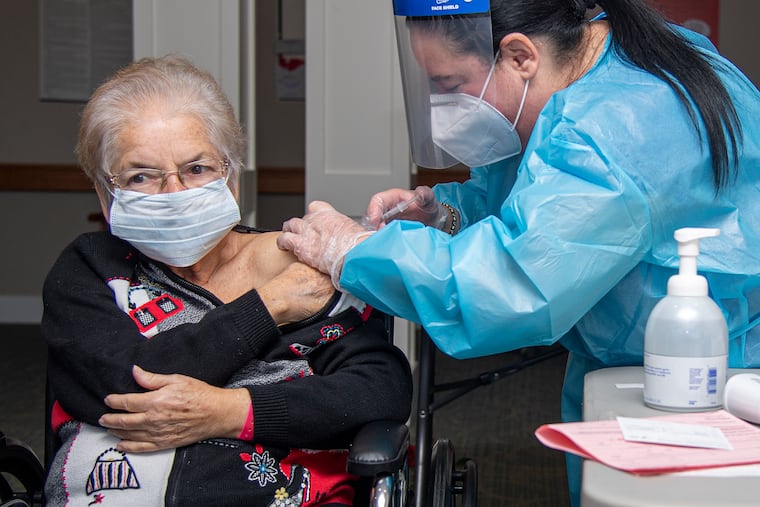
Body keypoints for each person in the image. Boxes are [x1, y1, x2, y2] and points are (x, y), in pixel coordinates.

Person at [276, 0, 760, 504]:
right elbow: (543, 202)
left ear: (519, 55)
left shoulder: (615, 131)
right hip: (650, 364)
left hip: (706, 381)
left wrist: (350, 249)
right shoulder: (615, 59)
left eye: (448, 85)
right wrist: (446, 215)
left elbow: (510, 286)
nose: (442, 107)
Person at [41, 55, 413, 507]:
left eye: (197, 169)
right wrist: (268, 306)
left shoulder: (302, 264)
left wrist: (231, 412)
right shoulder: (93, 268)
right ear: (106, 194)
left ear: (231, 178)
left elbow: (379, 392)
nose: (175, 194)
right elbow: (127, 385)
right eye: (142, 176)